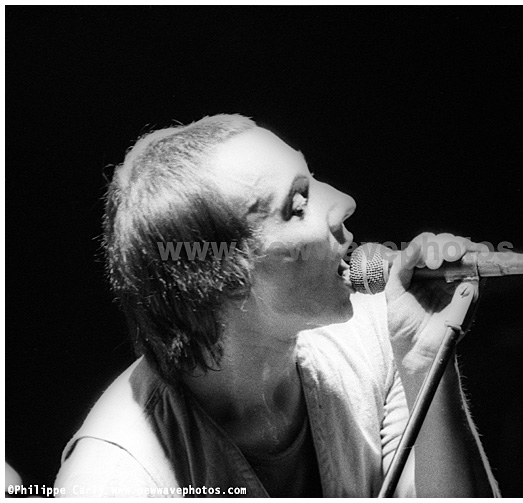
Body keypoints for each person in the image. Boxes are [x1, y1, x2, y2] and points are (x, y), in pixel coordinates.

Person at [54, 114, 500, 497]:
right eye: (298, 204)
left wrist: (426, 364)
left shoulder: (378, 333)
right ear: (223, 278)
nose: (344, 202)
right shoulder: (116, 477)